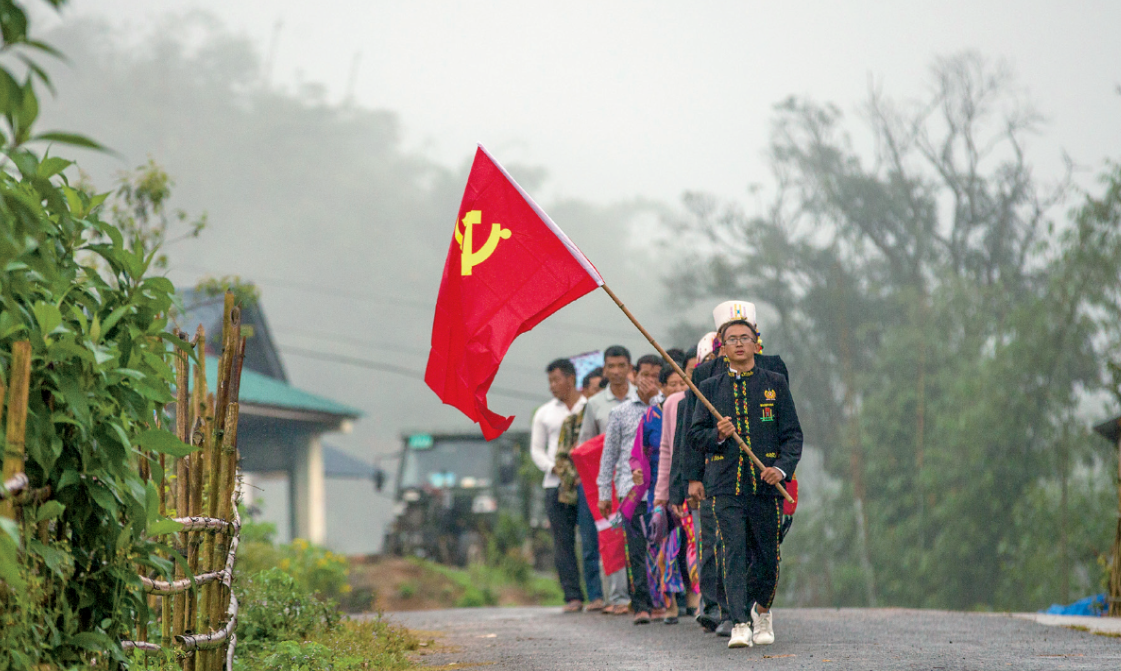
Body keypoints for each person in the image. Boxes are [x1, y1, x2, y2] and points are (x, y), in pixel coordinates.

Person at [678, 303, 791, 637]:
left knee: (767, 551)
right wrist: (694, 476)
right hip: (723, 476)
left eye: (746, 335)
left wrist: (784, 469)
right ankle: (734, 616)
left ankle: (759, 607)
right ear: (721, 342)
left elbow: (785, 426)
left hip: (768, 475)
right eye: (731, 337)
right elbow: (692, 430)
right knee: (728, 547)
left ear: (757, 337)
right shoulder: (705, 376)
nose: (739, 344)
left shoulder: (775, 371)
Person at [530, 358, 604, 613]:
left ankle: (597, 593)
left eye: (556, 380)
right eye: (549, 381)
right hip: (555, 485)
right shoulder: (545, 413)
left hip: (587, 483)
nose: (552, 386)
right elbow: (537, 451)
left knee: (590, 537)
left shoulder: (590, 407)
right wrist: (556, 469)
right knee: (563, 541)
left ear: (571, 379)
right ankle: (573, 595)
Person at [597, 353, 663, 624]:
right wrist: (604, 493)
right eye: (645, 375)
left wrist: (656, 401)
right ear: (634, 375)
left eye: (655, 377)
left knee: (659, 547)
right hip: (631, 490)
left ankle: (666, 601)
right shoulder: (620, 413)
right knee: (635, 548)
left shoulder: (668, 409)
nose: (649, 381)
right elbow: (609, 455)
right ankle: (642, 605)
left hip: (660, 488)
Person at [578, 345, 637, 614]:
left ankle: (647, 596)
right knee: (611, 540)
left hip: (641, 480)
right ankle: (618, 597)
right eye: (610, 367)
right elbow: (585, 448)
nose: (615, 371)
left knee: (644, 537)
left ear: (630, 368)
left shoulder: (643, 397)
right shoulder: (594, 404)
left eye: (621, 366)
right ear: (604, 369)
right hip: (610, 483)